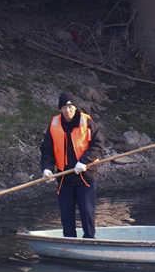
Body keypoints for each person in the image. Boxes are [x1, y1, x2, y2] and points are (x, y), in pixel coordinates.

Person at [40, 92, 106, 238]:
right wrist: (47, 168)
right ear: (60, 109)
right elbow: (47, 150)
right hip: (65, 178)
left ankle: (89, 240)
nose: (67, 110)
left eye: (70, 107)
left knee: (87, 212)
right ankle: (70, 242)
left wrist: (84, 161)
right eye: (64, 107)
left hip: (85, 176)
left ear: (75, 108)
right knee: (66, 215)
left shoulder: (87, 122)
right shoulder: (54, 124)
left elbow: (98, 145)